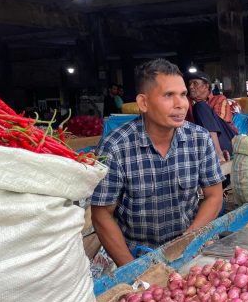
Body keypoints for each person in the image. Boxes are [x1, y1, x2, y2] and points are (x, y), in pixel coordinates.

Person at [89, 59, 226, 267]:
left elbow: (214, 196)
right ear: (143, 103)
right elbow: (101, 214)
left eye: (182, 94)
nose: (180, 104)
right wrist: (133, 270)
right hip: (136, 255)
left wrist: (186, 242)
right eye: (168, 95)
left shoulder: (199, 139)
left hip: (189, 248)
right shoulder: (116, 147)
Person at [186, 72, 237, 161]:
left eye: (195, 83)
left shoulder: (219, 99)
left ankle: (218, 153)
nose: (190, 87)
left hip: (225, 138)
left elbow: (215, 122)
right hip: (201, 141)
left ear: (206, 86)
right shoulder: (187, 102)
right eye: (190, 84)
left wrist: (199, 108)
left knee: (200, 106)